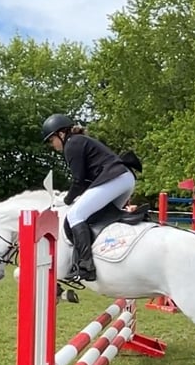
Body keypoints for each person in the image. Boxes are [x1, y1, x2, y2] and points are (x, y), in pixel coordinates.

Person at [41, 113, 138, 282]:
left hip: (115, 178)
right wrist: (72, 196)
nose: (52, 144)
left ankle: (86, 266)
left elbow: (79, 181)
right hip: (124, 179)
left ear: (61, 134)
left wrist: (65, 201)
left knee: (74, 215)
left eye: (52, 140)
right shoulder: (79, 141)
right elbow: (85, 181)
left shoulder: (72, 144)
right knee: (98, 217)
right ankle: (110, 256)